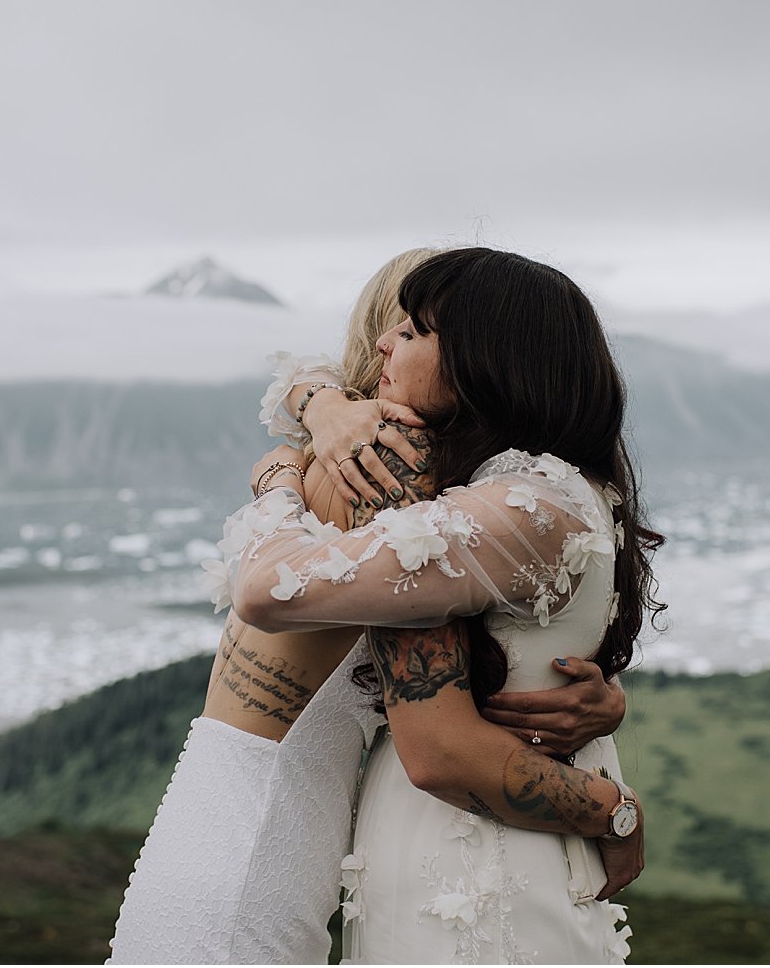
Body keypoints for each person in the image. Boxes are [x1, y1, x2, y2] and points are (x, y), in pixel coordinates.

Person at [107, 249, 639, 964]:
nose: (392, 343)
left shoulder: (428, 491)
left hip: (226, 823)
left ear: (480, 356)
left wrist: (306, 425)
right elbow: (436, 738)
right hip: (260, 842)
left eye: (416, 330)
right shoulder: (379, 477)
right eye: (395, 325)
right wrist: (611, 808)